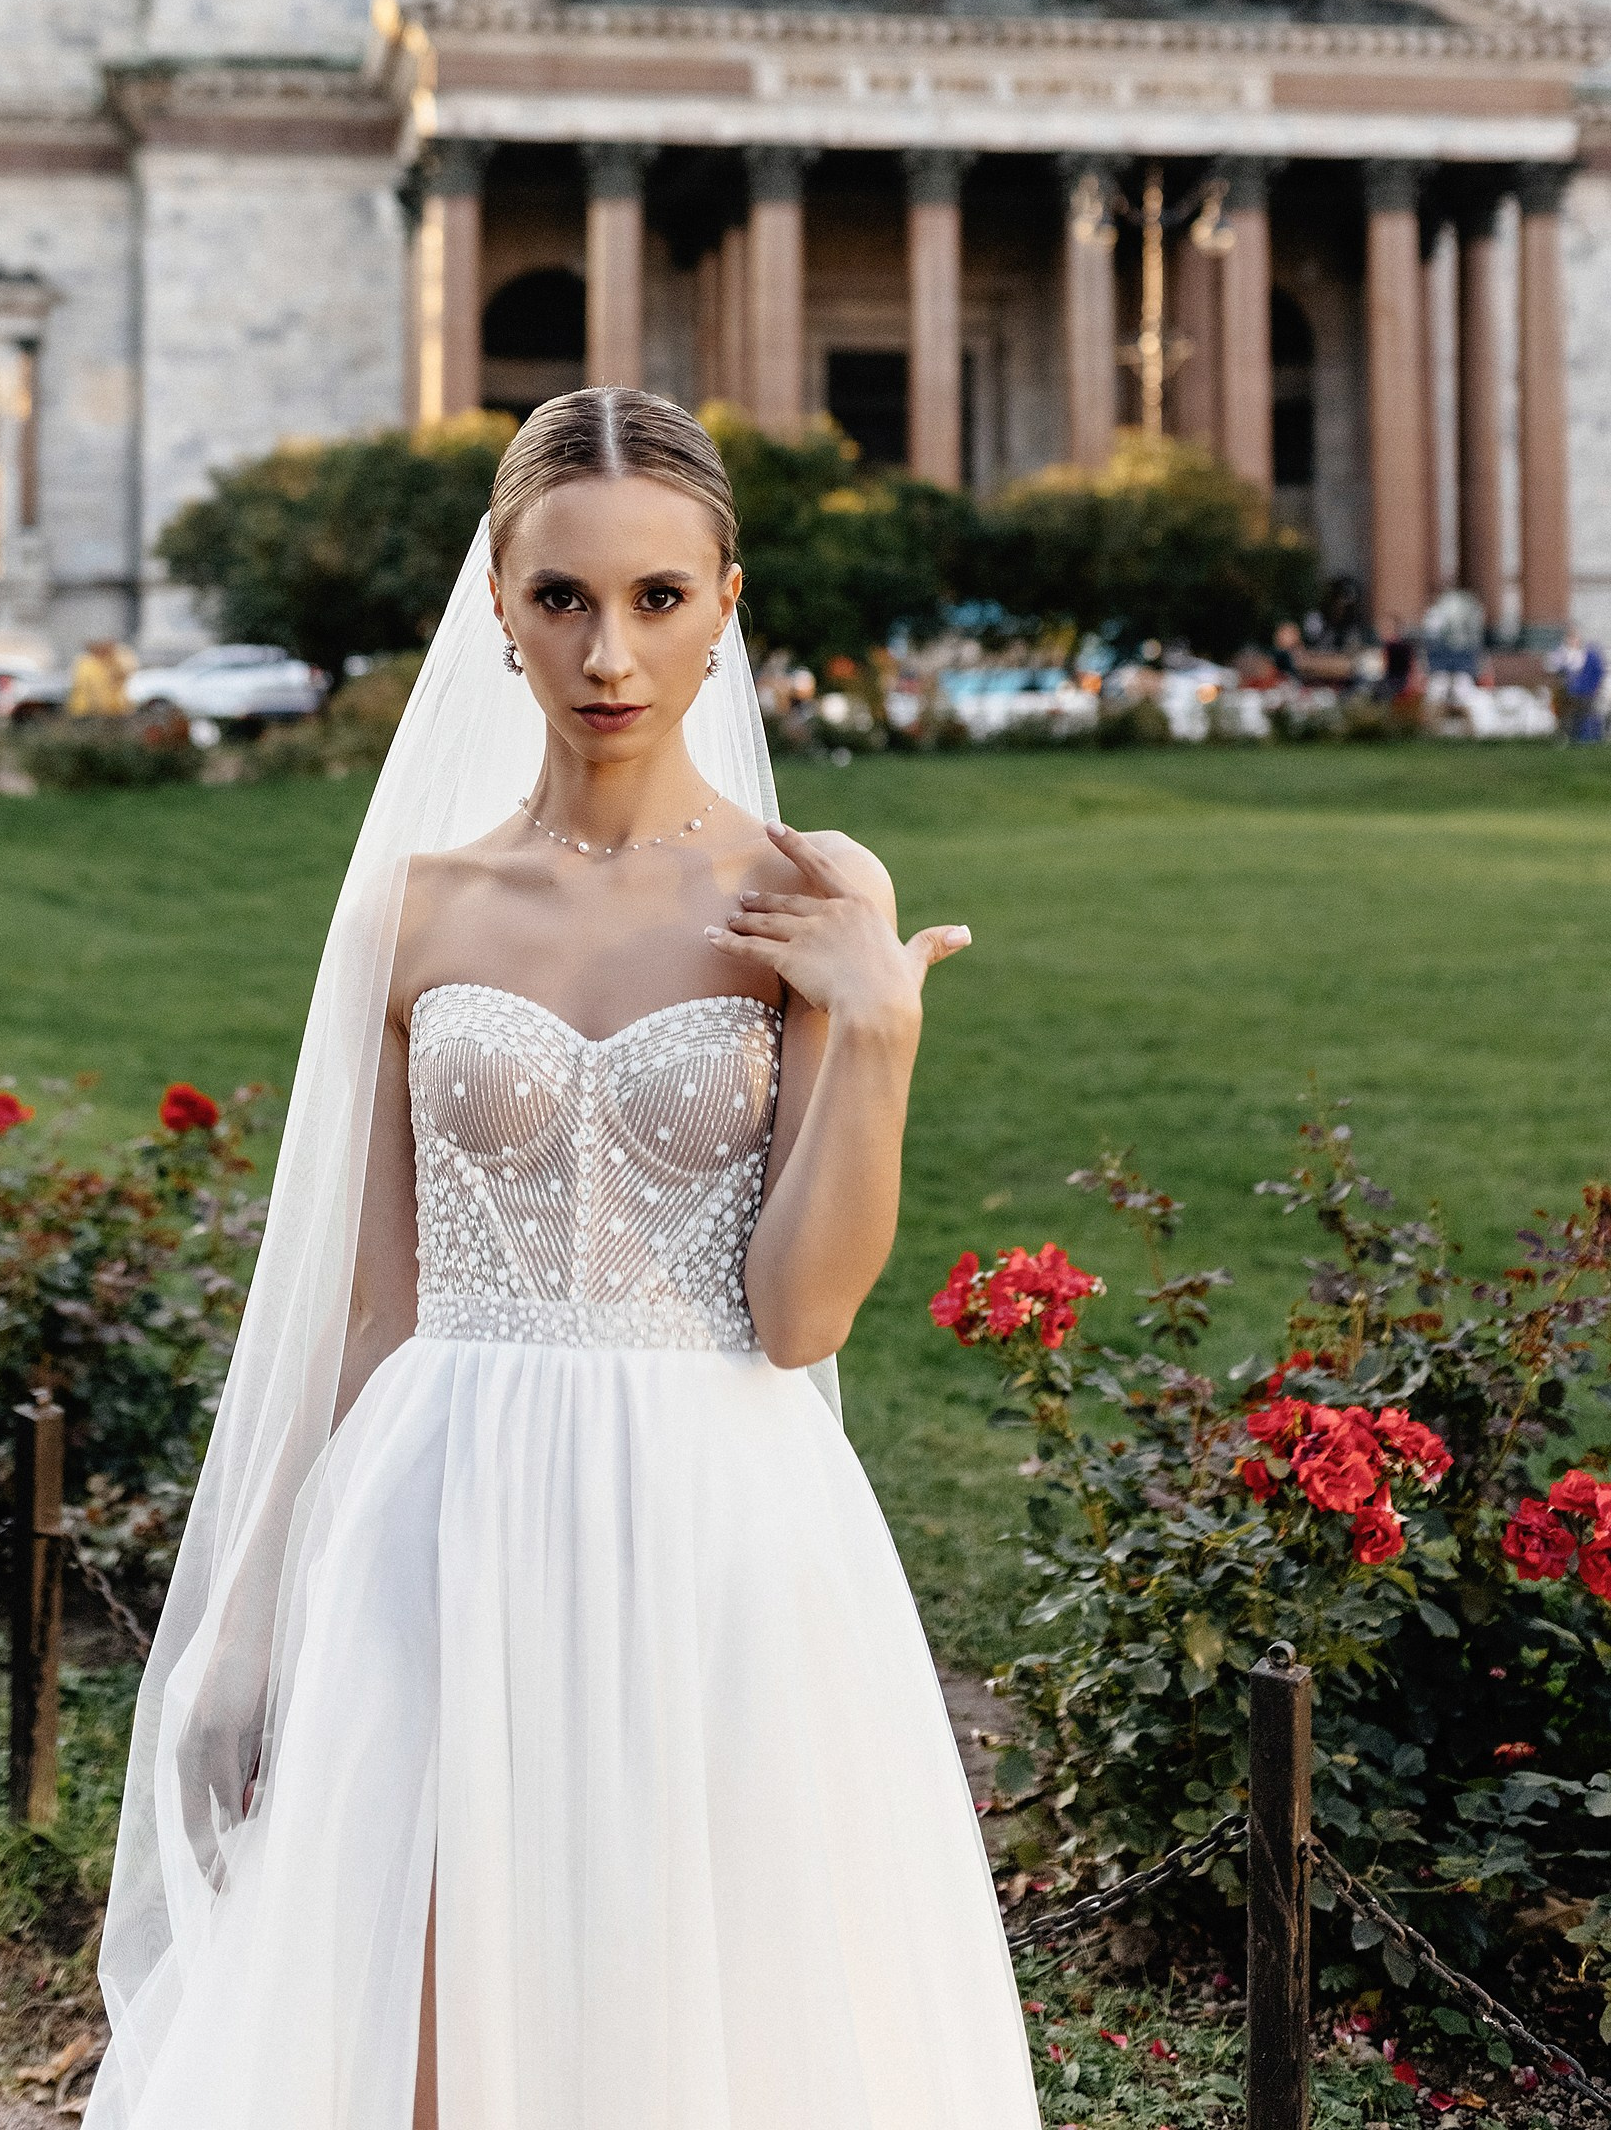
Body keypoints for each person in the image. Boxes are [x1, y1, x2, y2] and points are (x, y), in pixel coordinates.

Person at [85, 388, 1037, 2130]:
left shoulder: (806, 890)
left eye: (659, 599)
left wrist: (879, 1029)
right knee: (424, 2042)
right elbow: (370, 1301)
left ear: (727, 606)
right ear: (499, 605)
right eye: (563, 599)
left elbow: (800, 1311)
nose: (610, 651)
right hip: (433, 1519)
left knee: (687, 2032)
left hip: (713, 1520)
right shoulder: (418, 903)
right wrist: (248, 1622)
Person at [67, 636, 133, 719]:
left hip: (115, 712)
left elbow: (126, 673)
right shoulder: (85, 663)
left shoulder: (120, 658)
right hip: (86, 712)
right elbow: (87, 688)